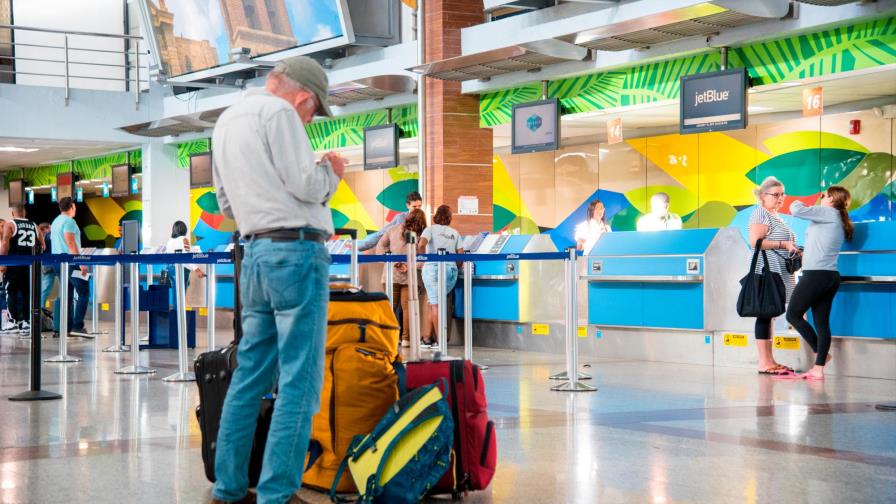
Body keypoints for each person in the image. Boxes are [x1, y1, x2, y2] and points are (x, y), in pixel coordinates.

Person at [210, 55, 344, 504]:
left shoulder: (226, 120)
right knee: (300, 380)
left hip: (254, 255)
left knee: (249, 375)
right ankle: (277, 493)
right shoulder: (280, 113)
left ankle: (229, 487)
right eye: (314, 111)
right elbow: (307, 184)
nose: (309, 119)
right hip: (297, 253)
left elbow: (226, 204)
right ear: (304, 96)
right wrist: (331, 173)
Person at [785, 186, 853, 381]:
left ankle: (819, 352)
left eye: (824, 195)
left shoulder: (827, 212)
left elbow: (795, 208)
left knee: (793, 315)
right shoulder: (837, 218)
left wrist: (808, 196)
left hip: (816, 275)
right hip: (829, 276)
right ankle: (818, 368)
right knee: (821, 323)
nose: (821, 198)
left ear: (831, 199)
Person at [747, 176, 800, 375]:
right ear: (763, 195)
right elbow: (756, 242)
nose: (780, 198)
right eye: (776, 195)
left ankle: (770, 361)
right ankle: (764, 363)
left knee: (770, 315)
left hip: (779, 271)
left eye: (782, 194)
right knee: (765, 314)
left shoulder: (776, 215)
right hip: (766, 272)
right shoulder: (760, 213)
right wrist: (783, 244)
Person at [376, 208, 429, 347]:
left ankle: (389, 337)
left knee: (389, 308)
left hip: (391, 275)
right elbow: (423, 259)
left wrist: (395, 263)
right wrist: (409, 266)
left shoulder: (393, 230)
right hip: (411, 277)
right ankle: (406, 339)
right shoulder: (421, 236)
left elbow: (380, 248)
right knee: (408, 308)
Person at [418, 205, 464, 346]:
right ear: (449, 218)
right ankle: (429, 338)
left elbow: (421, 244)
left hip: (432, 268)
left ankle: (440, 341)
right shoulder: (455, 233)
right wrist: (455, 267)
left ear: (436, 216)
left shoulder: (430, 229)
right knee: (435, 302)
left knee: (435, 304)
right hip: (450, 270)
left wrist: (423, 260)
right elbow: (460, 255)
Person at [0, 205, 44, 330]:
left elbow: (5, 243)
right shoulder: (35, 226)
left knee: (11, 292)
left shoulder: (10, 224)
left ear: (12, 213)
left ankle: (12, 321)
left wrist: (2, 262)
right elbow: (43, 246)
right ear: (25, 212)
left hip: (14, 265)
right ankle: (26, 321)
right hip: (30, 266)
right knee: (27, 294)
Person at [50, 197, 89, 335]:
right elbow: (70, 243)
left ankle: (66, 327)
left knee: (67, 294)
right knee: (84, 292)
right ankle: (78, 326)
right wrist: (81, 262)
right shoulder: (69, 221)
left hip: (57, 262)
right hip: (71, 262)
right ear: (72, 206)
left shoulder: (55, 221)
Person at [355, 191, 423, 251]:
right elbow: (382, 234)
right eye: (414, 206)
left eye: (419, 206)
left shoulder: (423, 219)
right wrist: (360, 246)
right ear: (408, 206)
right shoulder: (401, 218)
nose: (417, 209)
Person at [164, 220, 205, 309]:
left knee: (176, 295)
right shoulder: (184, 239)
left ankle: (176, 314)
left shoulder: (169, 241)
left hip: (170, 268)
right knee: (181, 295)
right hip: (181, 269)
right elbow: (187, 257)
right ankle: (179, 315)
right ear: (184, 229)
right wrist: (197, 270)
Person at [38, 222, 55, 309]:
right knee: (45, 288)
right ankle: (41, 308)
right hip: (49, 265)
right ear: (46, 229)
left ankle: (40, 307)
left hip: (45, 265)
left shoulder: (41, 238)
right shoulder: (49, 236)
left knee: (43, 288)